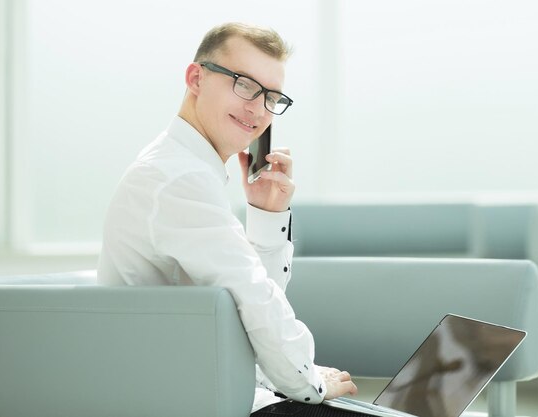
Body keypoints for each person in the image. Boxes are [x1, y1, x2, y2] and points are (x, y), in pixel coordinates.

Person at [97, 22, 367, 416]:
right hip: (192, 401)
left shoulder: (187, 169)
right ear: (196, 78)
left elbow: (246, 307)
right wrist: (308, 381)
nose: (258, 109)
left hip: (216, 389)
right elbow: (253, 296)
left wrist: (265, 215)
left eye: (271, 96)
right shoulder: (176, 178)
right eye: (244, 84)